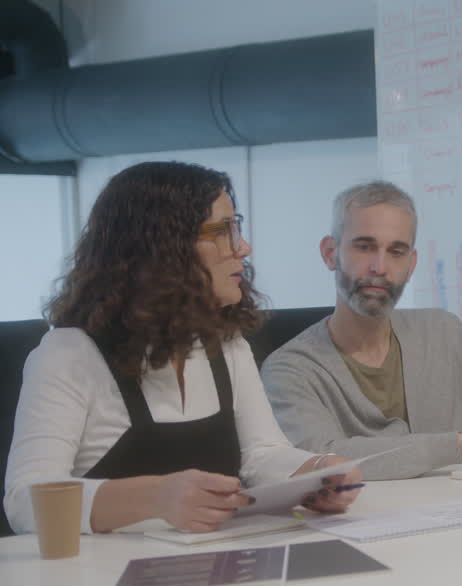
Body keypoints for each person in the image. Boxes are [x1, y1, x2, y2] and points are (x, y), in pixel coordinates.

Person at [3, 161, 361, 535]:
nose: (243, 246)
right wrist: (156, 497)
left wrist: (318, 472)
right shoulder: (68, 355)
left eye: (236, 227)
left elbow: (261, 454)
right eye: (223, 231)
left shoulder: (227, 344)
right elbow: (25, 500)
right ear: (164, 248)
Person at [261, 181, 462, 481]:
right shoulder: (289, 369)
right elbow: (322, 459)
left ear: (412, 264)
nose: (380, 267)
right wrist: (460, 445)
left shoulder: (445, 333)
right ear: (330, 254)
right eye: (364, 246)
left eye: (396, 251)